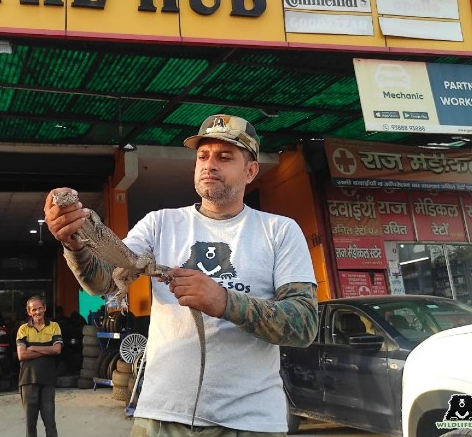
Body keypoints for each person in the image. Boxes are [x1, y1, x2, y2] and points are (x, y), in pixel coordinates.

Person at [44, 114, 318, 436]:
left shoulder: (279, 231)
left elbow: (304, 324)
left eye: (224, 157)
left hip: (250, 421)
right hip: (161, 414)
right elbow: (102, 281)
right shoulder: (160, 223)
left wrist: (222, 300)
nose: (209, 164)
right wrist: (74, 242)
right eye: (203, 156)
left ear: (251, 170)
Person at [16, 296, 63, 437]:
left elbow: (57, 350)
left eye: (40, 308)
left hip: (47, 380)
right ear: (29, 312)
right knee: (30, 424)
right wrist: (46, 350)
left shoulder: (54, 326)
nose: (37, 312)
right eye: (34, 309)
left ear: (45, 308)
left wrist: (33, 348)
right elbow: (22, 355)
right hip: (28, 380)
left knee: (50, 422)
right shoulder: (23, 329)